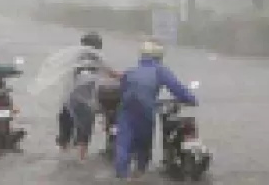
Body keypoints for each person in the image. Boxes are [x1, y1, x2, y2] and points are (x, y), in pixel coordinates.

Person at [113, 39, 197, 180]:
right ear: (159, 56)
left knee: (123, 143)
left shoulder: (131, 71)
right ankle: (139, 174)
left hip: (126, 109)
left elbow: (123, 91)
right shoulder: (160, 70)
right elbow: (177, 88)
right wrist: (192, 100)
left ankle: (122, 176)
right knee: (143, 144)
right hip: (145, 109)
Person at [56, 31, 121, 159]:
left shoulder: (74, 58)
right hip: (85, 101)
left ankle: (63, 155)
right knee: (84, 131)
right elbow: (113, 74)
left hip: (70, 100)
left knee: (65, 127)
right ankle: (81, 158)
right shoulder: (98, 59)